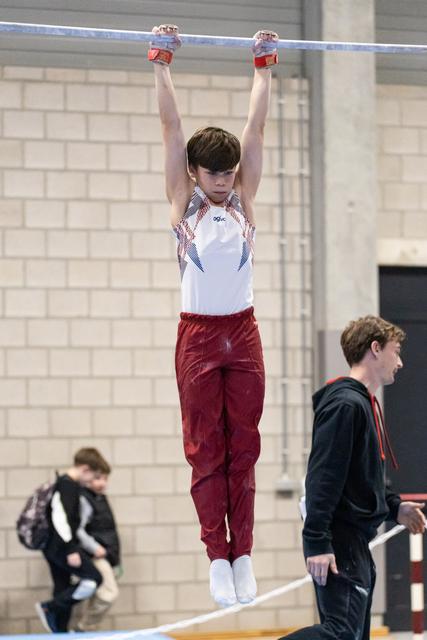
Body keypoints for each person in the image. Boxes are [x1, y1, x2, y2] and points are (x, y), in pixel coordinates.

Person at [149, 24, 278, 607]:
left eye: (229, 173)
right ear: (196, 174)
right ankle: (215, 556)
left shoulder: (245, 197)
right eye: (215, 174)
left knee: (243, 446)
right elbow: (171, 129)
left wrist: (263, 68)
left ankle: (243, 551)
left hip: (242, 331)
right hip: (199, 336)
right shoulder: (184, 202)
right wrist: (161, 62)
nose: (225, 182)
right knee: (207, 448)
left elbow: (255, 130)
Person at [280, 315, 426, 640]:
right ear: (375, 348)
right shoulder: (347, 405)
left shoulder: (363, 405)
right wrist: (316, 541)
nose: (400, 362)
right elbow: (323, 475)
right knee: (340, 634)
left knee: (354, 635)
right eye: (396, 351)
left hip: (356, 542)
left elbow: (364, 477)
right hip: (340, 540)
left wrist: (395, 507)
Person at [35, 448, 110, 633]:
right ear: (85, 469)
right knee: (94, 578)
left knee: (62, 587)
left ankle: (59, 631)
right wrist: (70, 549)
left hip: (53, 546)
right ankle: (49, 607)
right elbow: (61, 520)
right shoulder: (67, 485)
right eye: (93, 475)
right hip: (60, 546)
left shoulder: (66, 483)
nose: (92, 481)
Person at [72, 467, 121, 631]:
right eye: (98, 478)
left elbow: (109, 531)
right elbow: (77, 529)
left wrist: (116, 560)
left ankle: (88, 631)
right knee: (108, 594)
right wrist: (94, 548)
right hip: (95, 555)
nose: (103, 483)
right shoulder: (84, 499)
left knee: (98, 596)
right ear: (88, 478)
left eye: (105, 479)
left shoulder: (101, 498)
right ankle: (83, 628)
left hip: (107, 554)